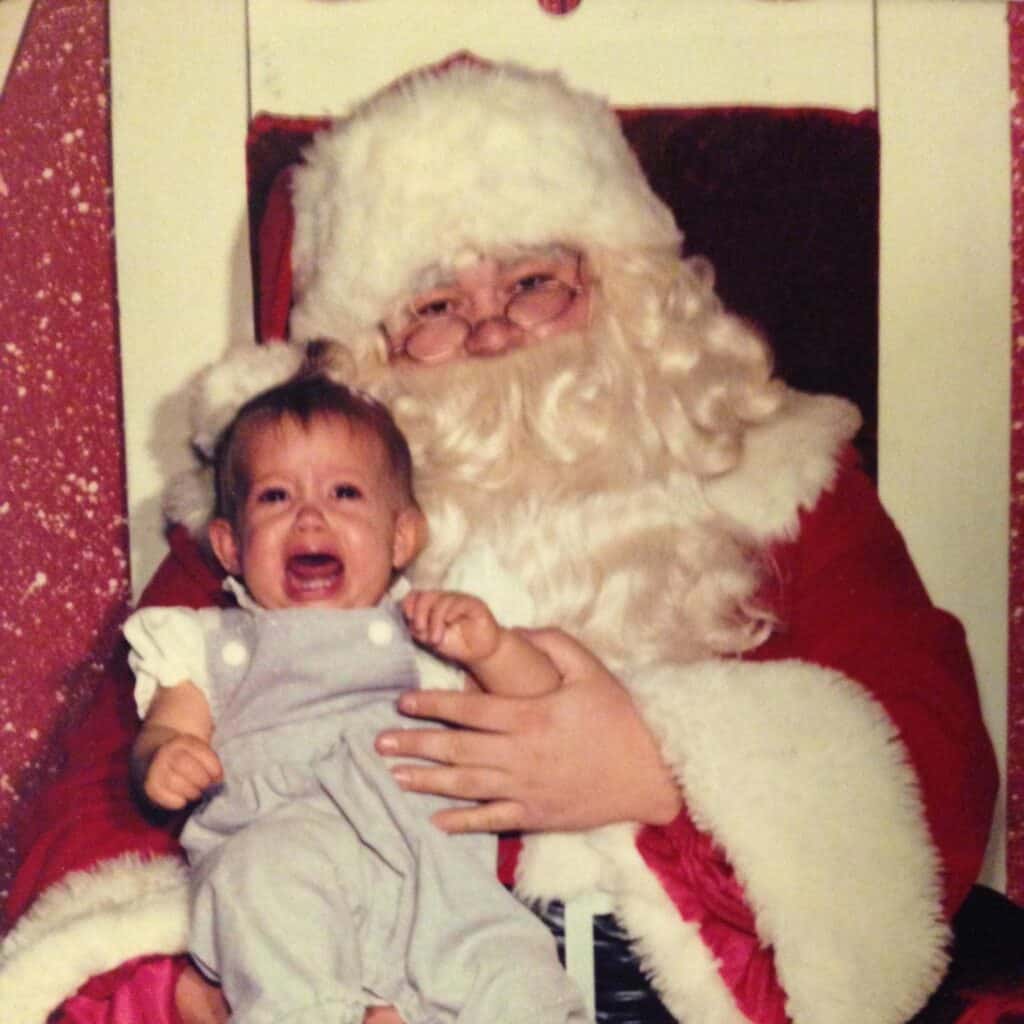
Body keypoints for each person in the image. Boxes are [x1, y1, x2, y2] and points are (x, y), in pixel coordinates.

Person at [0, 59, 999, 1024]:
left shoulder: (778, 475)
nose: (489, 335)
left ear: (617, 288)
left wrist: (664, 765)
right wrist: (186, 985)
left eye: (532, 283)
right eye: (436, 307)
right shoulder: (289, 513)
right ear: (368, 351)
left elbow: (930, 746)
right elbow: (104, 798)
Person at [126, 365, 584, 1024]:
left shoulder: (427, 629)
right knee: (260, 885)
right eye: (276, 497)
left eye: (344, 492)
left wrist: (493, 650)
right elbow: (168, 730)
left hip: (426, 864)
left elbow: (542, 711)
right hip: (285, 853)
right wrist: (164, 757)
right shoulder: (206, 642)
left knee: (502, 968)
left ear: (401, 536)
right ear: (229, 545)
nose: (310, 514)